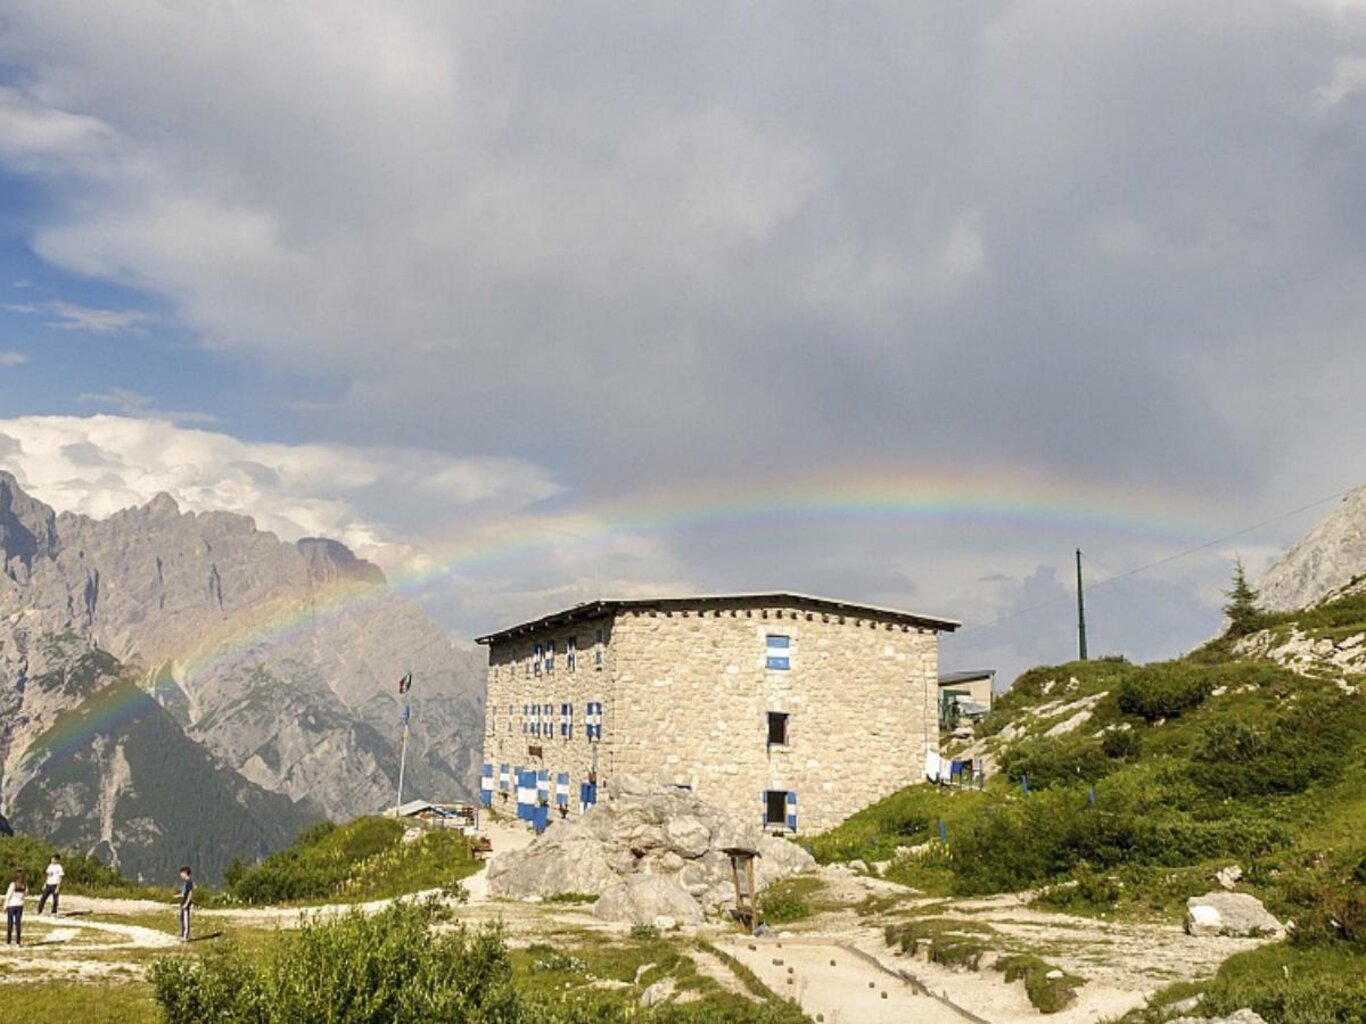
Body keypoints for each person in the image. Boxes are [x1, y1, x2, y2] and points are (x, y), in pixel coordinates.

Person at [4, 871, 26, 946]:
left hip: (11, 905)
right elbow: (25, 894)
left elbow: (8, 896)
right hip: (20, 905)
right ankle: (18, 942)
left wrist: (5, 906)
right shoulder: (24, 885)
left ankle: (8, 942)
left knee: (10, 924)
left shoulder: (13, 885)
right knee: (18, 924)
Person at [176, 866, 194, 942]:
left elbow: (190, 893)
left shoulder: (189, 882)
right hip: (182, 903)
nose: (181, 875)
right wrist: (177, 895)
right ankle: (183, 934)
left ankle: (186, 936)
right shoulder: (185, 882)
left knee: (185, 919)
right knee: (182, 919)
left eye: (182, 873)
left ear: (185, 873)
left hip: (185, 903)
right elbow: (184, 893)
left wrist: (187, 903)